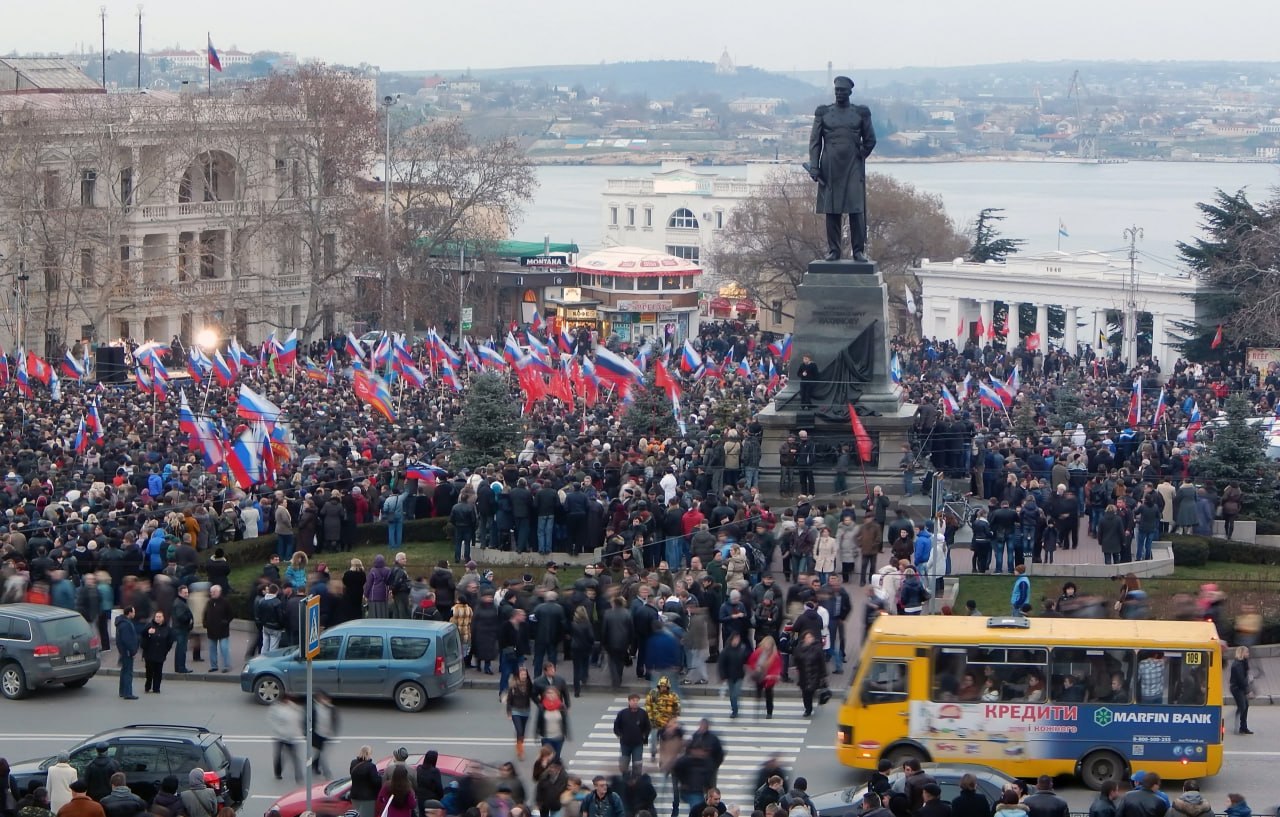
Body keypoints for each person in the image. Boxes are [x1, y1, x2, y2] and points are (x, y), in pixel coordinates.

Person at [808, 75, 876, 261]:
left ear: (849, 92)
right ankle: (834, 250)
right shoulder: (823, 112)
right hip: (830, 166)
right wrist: (814, 166)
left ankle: (858, 250)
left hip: (853, 166)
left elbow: (870, 139)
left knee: (856, 209)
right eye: (837, 90)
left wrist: (860, 155)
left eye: (843, 91)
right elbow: (815, 142)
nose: (839, 93)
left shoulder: (861, 113)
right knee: (832, 210)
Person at [613, 694, 651, 775]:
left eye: (637, 701)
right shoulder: (622, 713)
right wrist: (619, 734)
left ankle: (636, 780)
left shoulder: (643, 713)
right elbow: (616, 726)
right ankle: (625, 779)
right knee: (624, 765)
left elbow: (648, 727)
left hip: (638, 744)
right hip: (625, 744)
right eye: (633, 700)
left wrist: (644, 735)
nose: (635, 702)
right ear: (629, 701)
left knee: (637, 765)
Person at [268, 697, 304, 783]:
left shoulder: (293, 708)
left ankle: (298, 776)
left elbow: (298, 720)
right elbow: (272, 721)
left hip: (290, 737)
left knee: (294, 757)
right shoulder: (276, 709)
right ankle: (278, 773)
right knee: (279, 756)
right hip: (279, 736)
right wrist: (281, 731)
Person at [792, 630, 827, 717]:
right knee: (805, 693)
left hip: (814, 674)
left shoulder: (817, 648)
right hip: (803, 675)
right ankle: (808, 708)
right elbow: (796, 659)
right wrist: (797, 667)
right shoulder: (799, 648)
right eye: (807, 637)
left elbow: (822, 661)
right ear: (804, 639)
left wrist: (823, 675)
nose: (809, 639)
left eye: (811, 637)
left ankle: (809, 707)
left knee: (810, 691)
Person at [747, 635, 783, 718]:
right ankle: (758, 708)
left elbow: (777, 666)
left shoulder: (775, 655)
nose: (767, 646)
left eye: (769, 644)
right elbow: (751, 661)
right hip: (759, 676)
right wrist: (755, 669)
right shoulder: (758, 652)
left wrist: (772, 675)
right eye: (766, 644)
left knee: (769, 695)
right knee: (758, 693)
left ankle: (769, 712)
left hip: (769, 678)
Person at [140, 610, 175, 694]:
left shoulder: (167, 628)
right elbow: (142, 635)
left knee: (158, 672)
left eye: (160, 617)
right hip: (149, 653)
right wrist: (148, 633)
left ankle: (156, 688)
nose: (158, 619)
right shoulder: (149, 626)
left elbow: (170, 640)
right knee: (149, 671)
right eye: (157, 617)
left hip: (160, 653)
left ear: (163, 618)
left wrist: (166, 650)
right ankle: (148, 686)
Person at [506, 665, 534, 761]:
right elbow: (509, 700)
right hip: (516, 711)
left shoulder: (529, 684)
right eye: (522, 674)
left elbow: (533, 695)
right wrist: (509, 712)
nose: (524, 676)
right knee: (519, 730)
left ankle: (519, 744)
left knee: (522, 733)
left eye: (525, 674)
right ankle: (520, 751)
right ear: (518, 675)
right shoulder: (513, 685)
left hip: (526, 711)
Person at [536, 688, 570, 760]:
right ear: (545, 695)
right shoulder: (542, 707)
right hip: (546, 737)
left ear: (557, 695)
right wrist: (536, 733)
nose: (550, 695)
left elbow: (565, 722)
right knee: (547, 758)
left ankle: (559, 768)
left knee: (556, 757)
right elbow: (538, 721)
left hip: (558, 737)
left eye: (552, 693)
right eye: (548, 693)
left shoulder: (561, 706)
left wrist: (567, 733)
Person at [114, 607, 139, 700]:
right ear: (129, 613)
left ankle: (122, 691)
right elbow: (127, 640)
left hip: (123, 651)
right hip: (127, 652)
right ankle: (128, 692)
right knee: (128, 672)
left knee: (124, 670)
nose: (134, 613)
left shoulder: (121, 623)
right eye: (134, 611)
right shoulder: (126, 625)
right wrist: (133, 651)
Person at [349, 746, 382, 817]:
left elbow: (352, 774)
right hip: (368, 798)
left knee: (356, 815)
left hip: (354, 796)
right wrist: (381, 778)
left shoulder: (353, 763)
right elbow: (376, 782)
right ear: (368, 754)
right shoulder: (371, 766)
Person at [1229, 646, 1252, 734]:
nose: (1248, 654)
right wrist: (1248, 691)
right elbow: (1241, 679)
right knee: (1242, 706)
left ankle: (1243, 727)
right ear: (1242, 653)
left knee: (1245, 706)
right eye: (1247, 652)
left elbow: (1245, 676)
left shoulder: (1243, 663)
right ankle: (1238, 725)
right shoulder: (1237, 664)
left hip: (1241, 688)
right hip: (1236, 688)